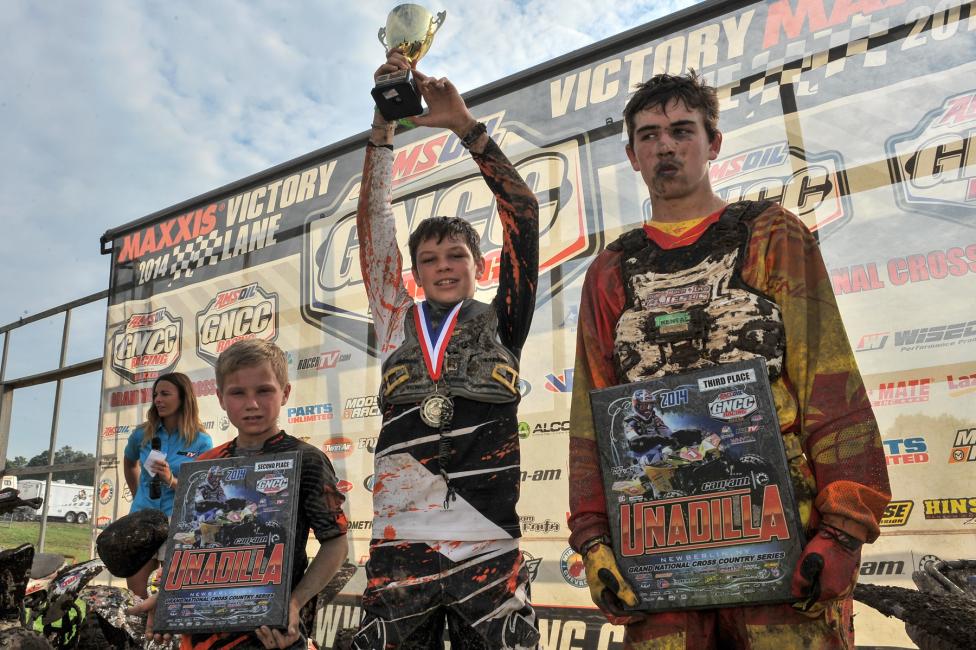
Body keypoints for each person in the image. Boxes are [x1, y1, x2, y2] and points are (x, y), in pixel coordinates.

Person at [567, 71, 891, 648]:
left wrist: (842, 531)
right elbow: (592, 417)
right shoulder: (611, 269)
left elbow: (829, 382)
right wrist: (594, 539)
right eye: (648, 136)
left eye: (681, 130)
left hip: (782, 536)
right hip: (658, 550)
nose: (665, 146)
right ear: (631, 155)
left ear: (712, 143)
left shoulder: (772, 235)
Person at [351, 49, 540, 649]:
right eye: (428, 260)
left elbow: (524, 214)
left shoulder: (504, 318)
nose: (442, 267)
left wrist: (467, 129)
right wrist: (381, 137)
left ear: (478, 264)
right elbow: (374, 226)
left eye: (455, 256)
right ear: (413, 271)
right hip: (400, 541)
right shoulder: (394, 319)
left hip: (488, 541)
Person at [131, 339, 349, 649]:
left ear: (285, 393)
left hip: (272, 634)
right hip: (203, 635)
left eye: (264, 390)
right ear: (220, 398)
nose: (252, 404)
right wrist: (170, 600)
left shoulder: (307, 460)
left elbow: (336, 543)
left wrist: (295, 603)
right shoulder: (205, 466)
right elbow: (190, 548)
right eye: (237, 393)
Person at [122, 372, 212, 597]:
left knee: (173, 595)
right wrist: (138, 497)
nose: (158, 400)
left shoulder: (201, 441)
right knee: (137, 594)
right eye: (155, 395)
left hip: (180, 520)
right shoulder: (142, 434)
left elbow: (203, 488)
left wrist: (171, 481)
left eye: (165, 394)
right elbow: (129, 463)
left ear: (183, 397)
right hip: (142, 519)